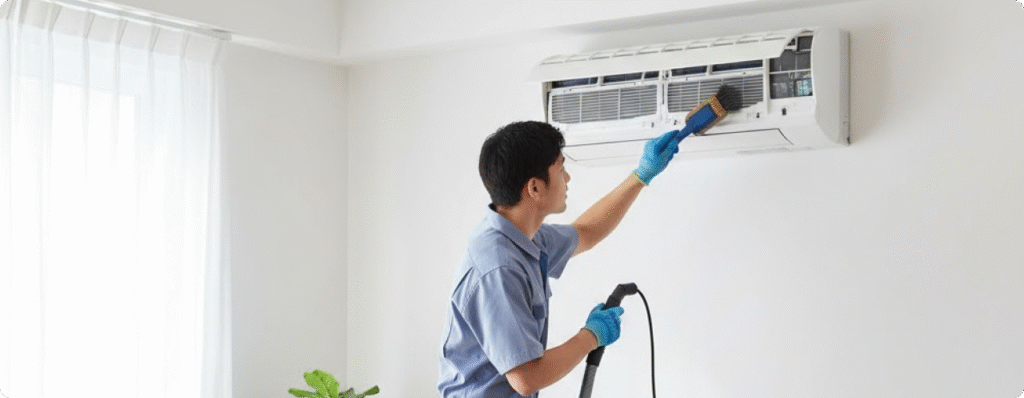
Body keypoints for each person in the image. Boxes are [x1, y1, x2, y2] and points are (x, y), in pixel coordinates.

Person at [437, 121, 685, 397]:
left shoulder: (525, 239)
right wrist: (591, 336)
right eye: (560, 169)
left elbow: (586, 232)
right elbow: (526, 378)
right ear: (534, 188)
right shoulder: (499, 267)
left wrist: (641, 174)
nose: (567, 178)